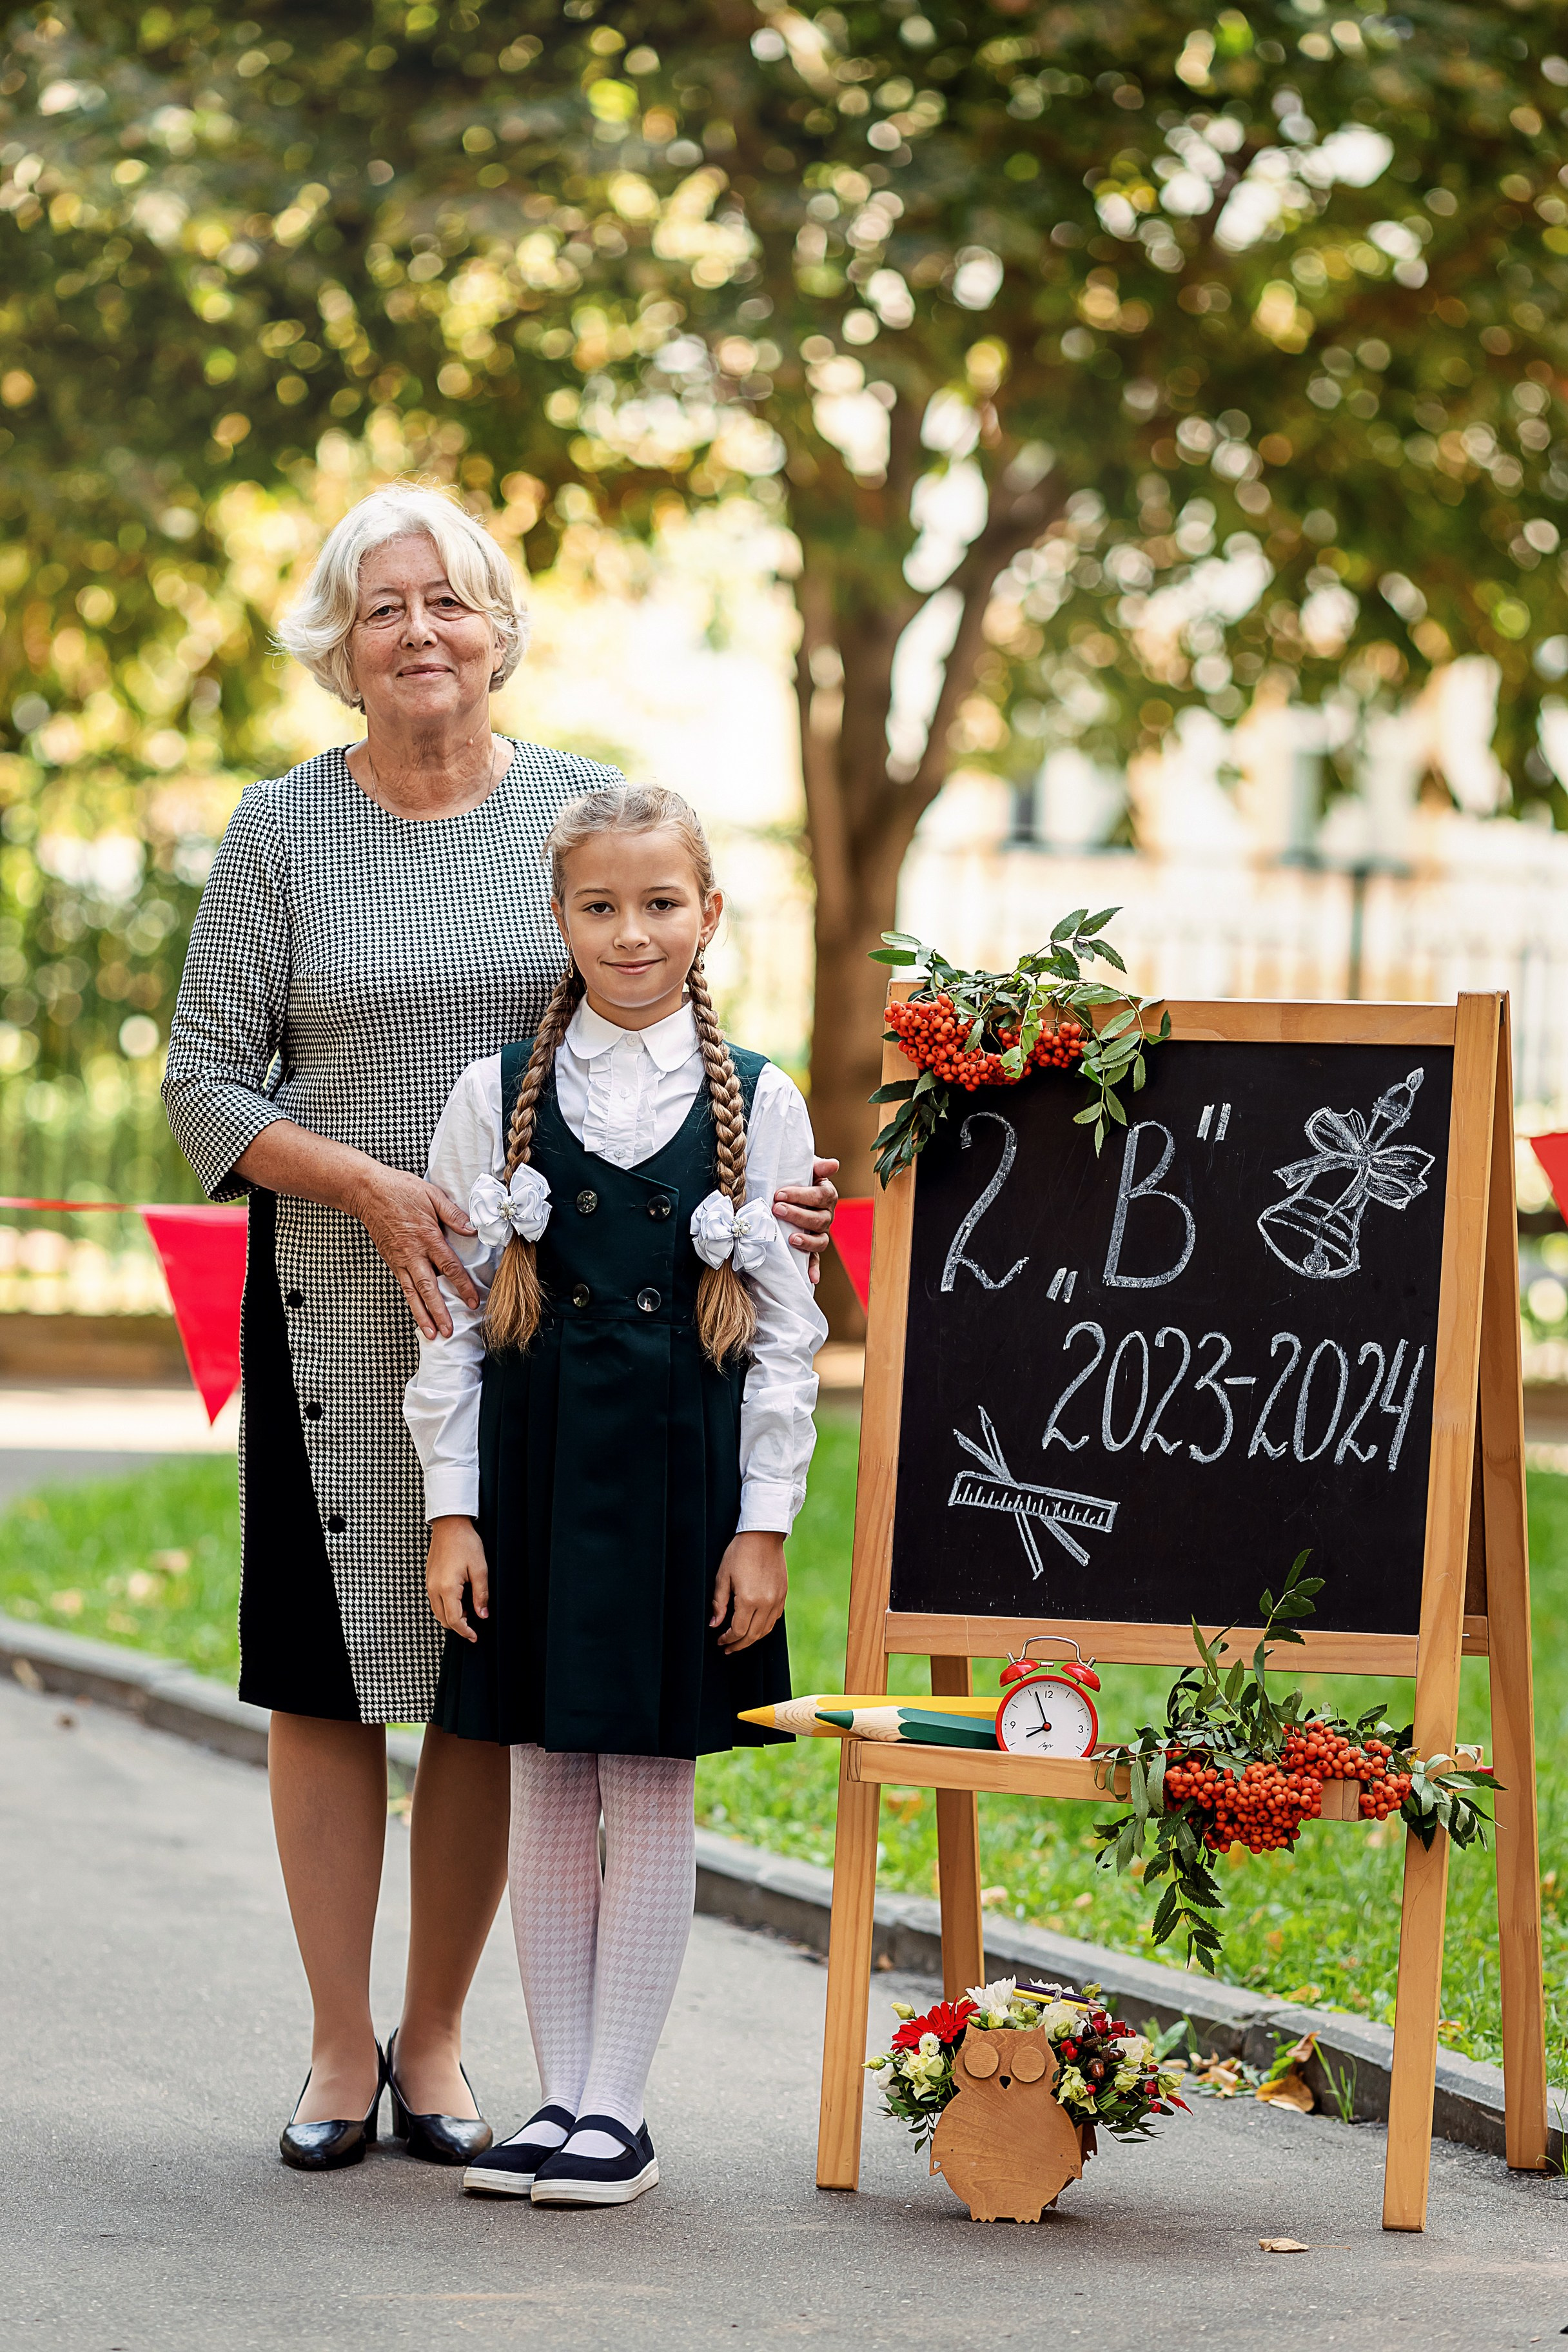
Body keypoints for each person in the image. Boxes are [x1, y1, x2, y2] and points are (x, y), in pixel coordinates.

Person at [161, 485, 839, 2173]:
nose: (419, 633)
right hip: (334, 1300)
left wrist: (766, 1194)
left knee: (486, 1686)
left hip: (534, 1335)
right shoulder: (278, 831)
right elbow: (199, 1086)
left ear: (495, 627)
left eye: (448, 602)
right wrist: (373, 1190)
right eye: (382, 606)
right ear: (342, 642)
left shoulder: (568, 816)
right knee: (330, 1685)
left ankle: (441, 2042)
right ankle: (336, 2050)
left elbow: (661, 1028)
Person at [402, 783, 826, 2206]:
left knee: (648, 1783)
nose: (630, 932)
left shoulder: (759, 1100)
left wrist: (762, 1526)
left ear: (708, 916)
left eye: (660, 904)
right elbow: (452, 1323)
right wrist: (451, 1511)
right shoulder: (495, 1090)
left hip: (682, 1487)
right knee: (542, 1771)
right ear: (561, 917)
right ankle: (554, 2093)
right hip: (530, 1480)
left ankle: (619, 2110)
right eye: (600, 905)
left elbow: (786, 1335)